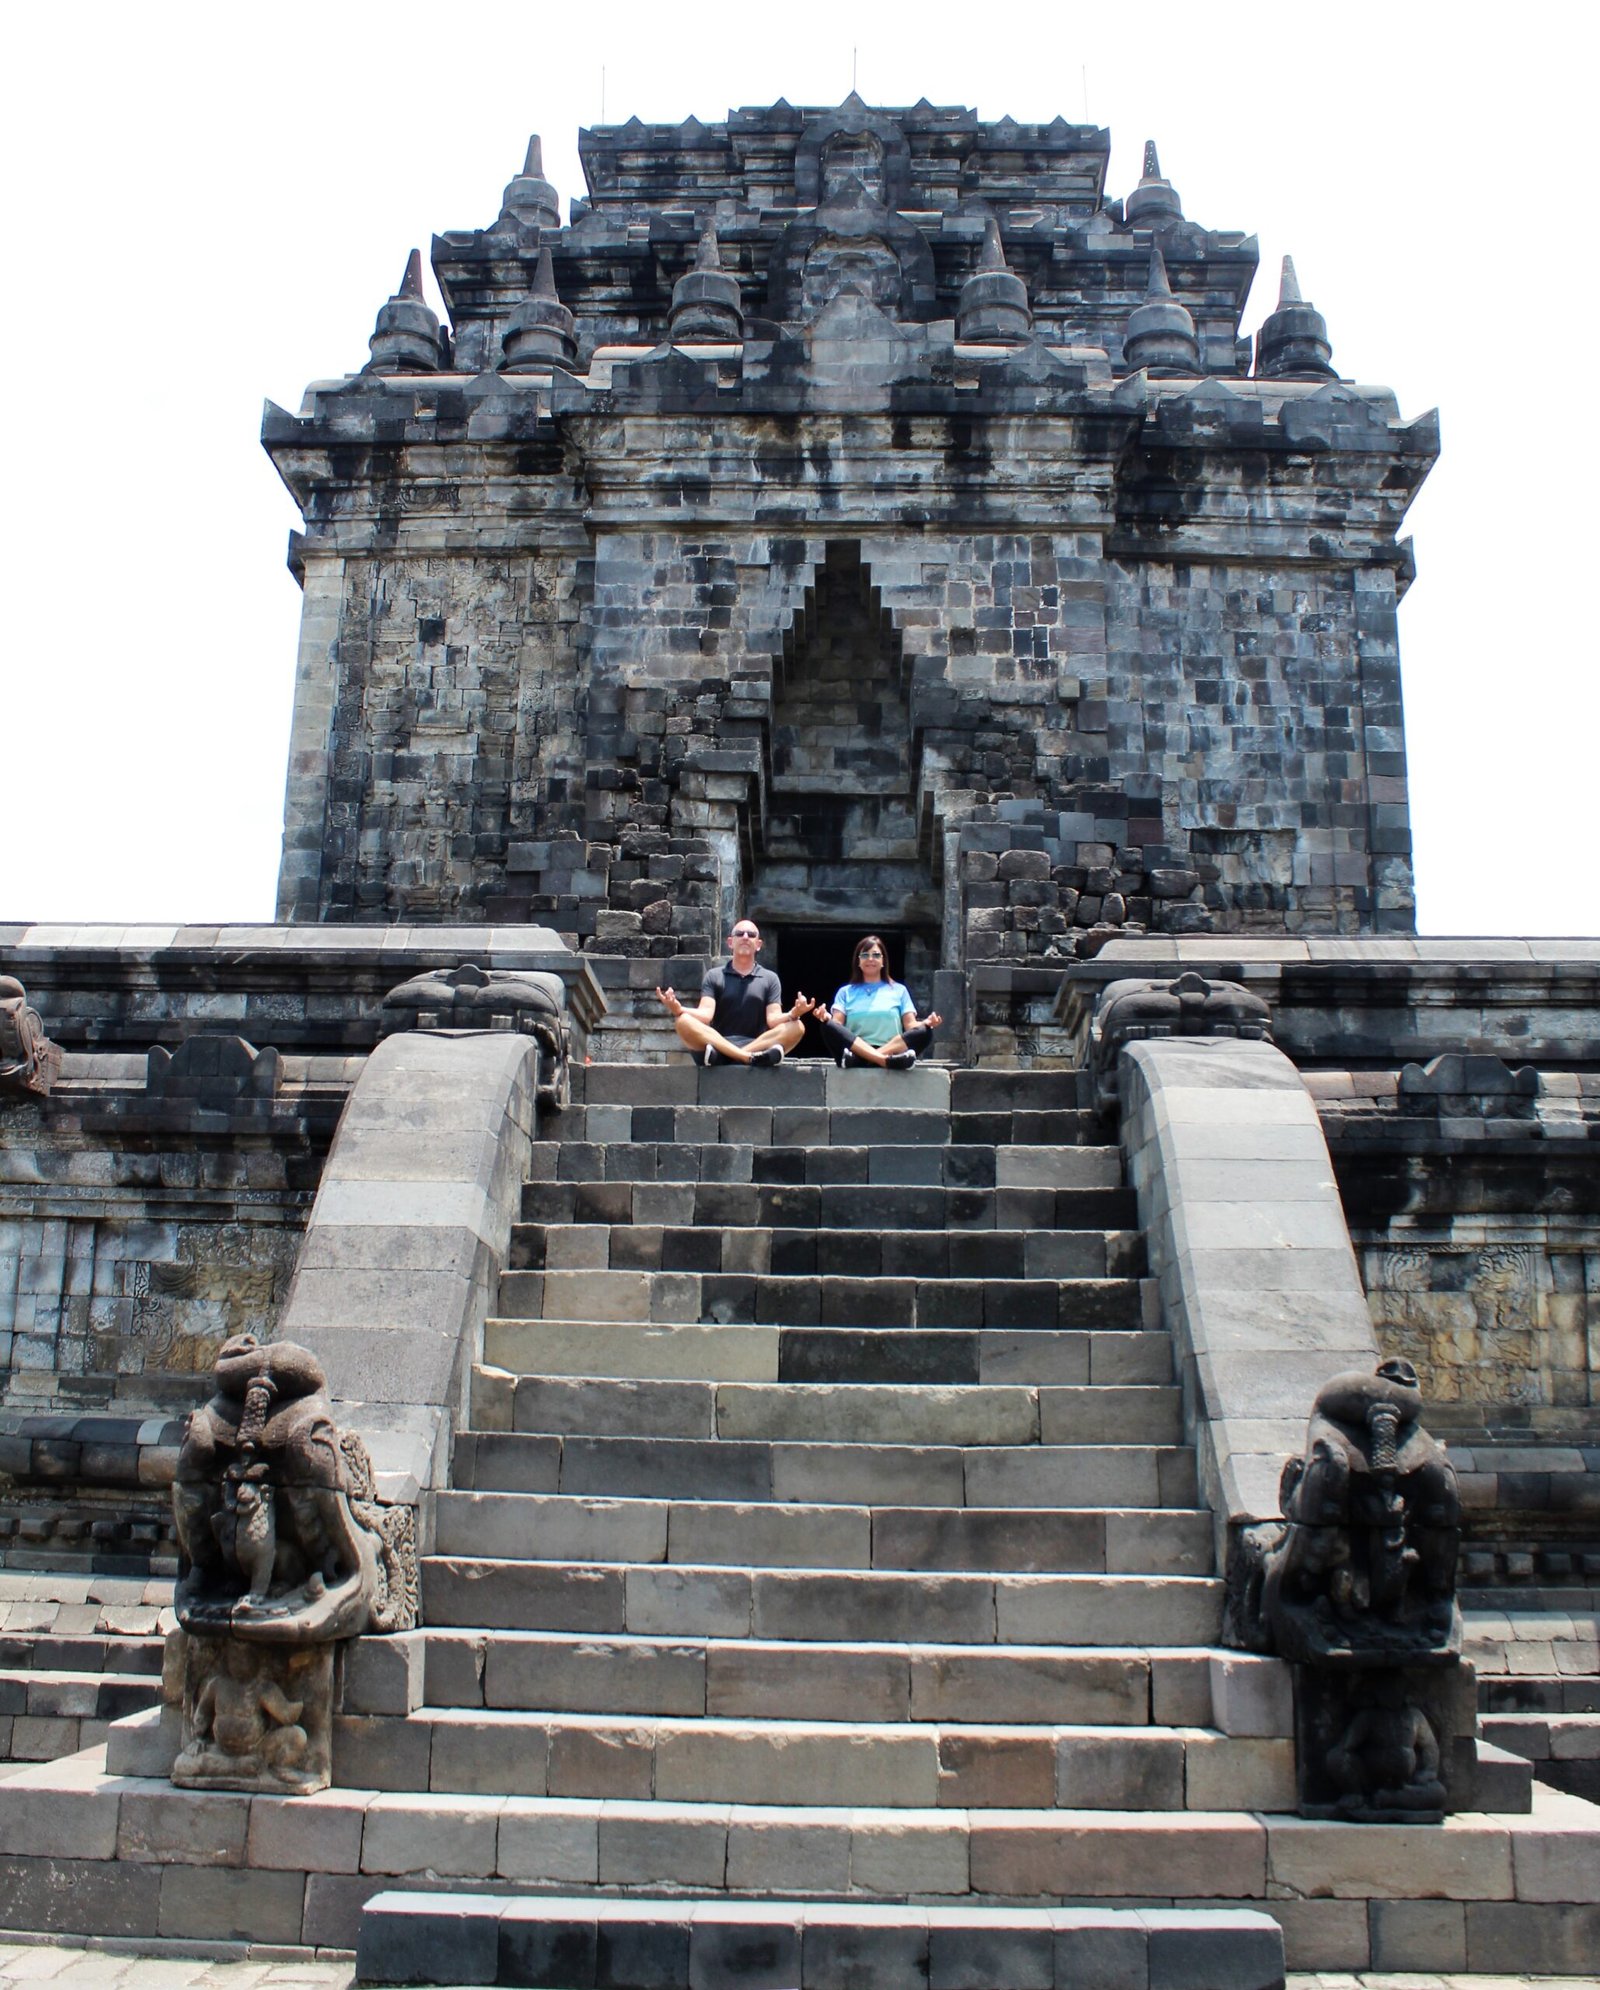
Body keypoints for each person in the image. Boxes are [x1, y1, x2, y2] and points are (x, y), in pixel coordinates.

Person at [654, 918, 810, 1067]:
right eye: (740, 934)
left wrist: (793, 1013)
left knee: (797, 1026)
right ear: (730, 942)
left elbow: (773, 1019)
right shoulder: (714, 975)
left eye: (751, 934)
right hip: (718, 1042)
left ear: (758, 945)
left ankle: (731, 1056)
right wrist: (678, 1009)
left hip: (755, 1044)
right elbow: (706, 1014)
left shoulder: (770, 978)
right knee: (683, 1021)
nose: (745, 937)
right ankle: (746, 1058)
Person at [818, 934, 942, 1069]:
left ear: (883, 961)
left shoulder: (899, 990)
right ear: (858, 961)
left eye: (876, 955)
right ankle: (885, 1061)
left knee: (925, 1031)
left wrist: (926, 1023)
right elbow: (837, 1024)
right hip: (854, 1051)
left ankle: (865, 1060)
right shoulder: (845, 992)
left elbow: (910, 1025)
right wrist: (826, 1017)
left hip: (890, 1050)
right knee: (827, 1026)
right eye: (865, 955)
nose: (870, 959)